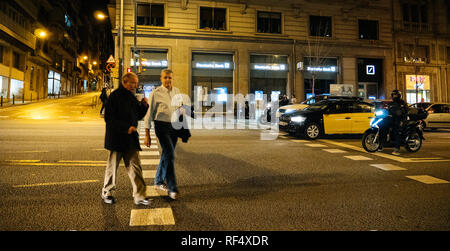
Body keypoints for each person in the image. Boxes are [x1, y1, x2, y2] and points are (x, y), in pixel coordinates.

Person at [101, 72, 151, 206]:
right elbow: (109, 119)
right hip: (117, 138)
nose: (135, 85)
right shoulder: (115, 96)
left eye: (136, 83)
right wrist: (126, 128)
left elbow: (137, 115)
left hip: (130, 139)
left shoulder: (131, 96)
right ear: (125, 82)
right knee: (112, 167)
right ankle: (107, 192)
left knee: (135, 167)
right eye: (133, 82)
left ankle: (139, 196)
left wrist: (144, 106)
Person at [144, 69, 182, 200]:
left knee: (166, 154)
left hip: (174, 127)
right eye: (165, 78)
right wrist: (147, 134)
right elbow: (149, 115)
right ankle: (172, 187)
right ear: (161, 79)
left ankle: (158, 181)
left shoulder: (177, 92)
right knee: (170, 154)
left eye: (170, 78)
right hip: (161, 126)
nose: (168, 80)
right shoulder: (156, 93)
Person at [388, 90, 408, 155]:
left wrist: (401, 112)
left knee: (397, 132)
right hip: (392, 119)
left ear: (399, 95)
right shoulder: (391, 103)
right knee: (384, 127)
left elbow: (405, 111)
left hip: (400, 119)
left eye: (396, 95)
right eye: (394, 95)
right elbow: (387, 110)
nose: (395, 96)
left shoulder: (402, 103)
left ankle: (397, 148)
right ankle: (380, 144)